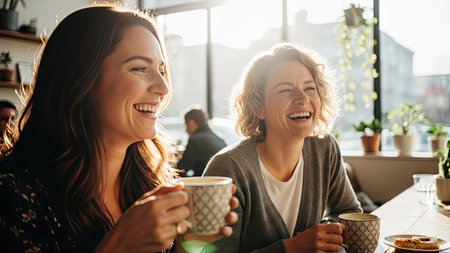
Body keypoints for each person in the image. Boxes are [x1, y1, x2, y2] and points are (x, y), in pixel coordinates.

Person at [0, 4, 237, 252]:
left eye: (161, 70)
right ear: (81, 79)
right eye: (140, 68)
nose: (163, 88)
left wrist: (193, 246)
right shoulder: (12, 193)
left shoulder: (151, 184)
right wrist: (119, 245)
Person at [203, 44, 362, 252]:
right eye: (286, 90)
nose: (303, 99)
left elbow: (349, 213)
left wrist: (322, 234)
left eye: (310, 88)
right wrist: (291, 247)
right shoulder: (228, 169)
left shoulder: (325, 148)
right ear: (259, 107)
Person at [177, 105, 227, 177]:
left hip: (205, 183)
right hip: (222, 182)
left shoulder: (195, 140)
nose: (186, 130)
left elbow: (180, 170)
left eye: (186, 125)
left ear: (191, 123)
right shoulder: (220, 138)